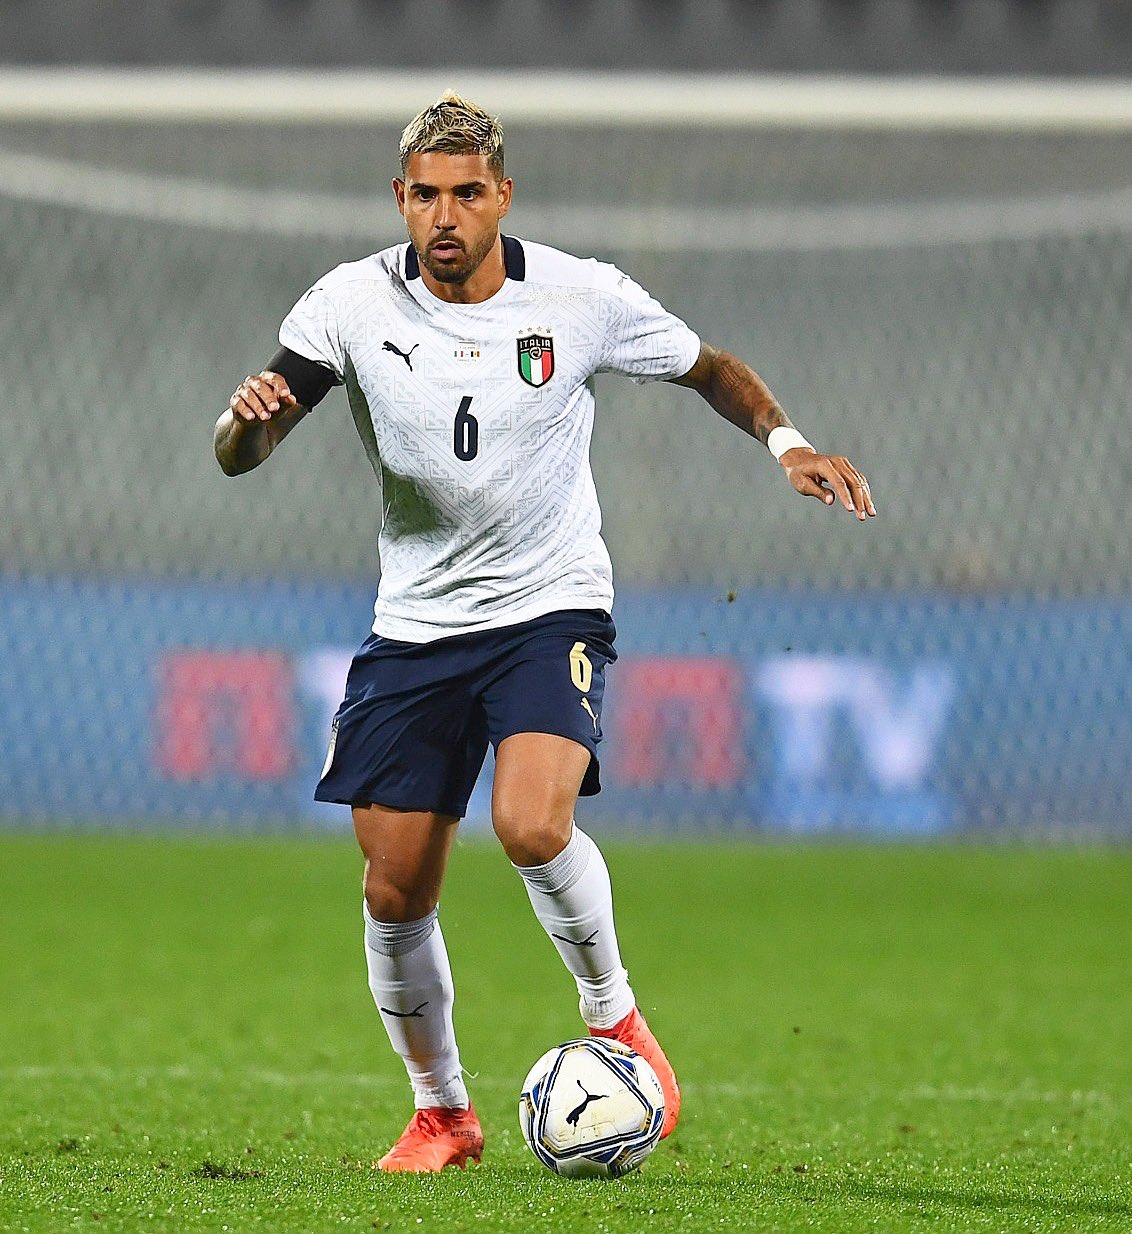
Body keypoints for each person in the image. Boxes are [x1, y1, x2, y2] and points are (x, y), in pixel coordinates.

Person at [215, 92, 874, 1173]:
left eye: (467, 193)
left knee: (529, 822)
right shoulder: (348, 302)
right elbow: (243, 448)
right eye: (426, 195)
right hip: (415, 623)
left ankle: (617, 1018)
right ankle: (443, 1113)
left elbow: (710, 367)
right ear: (399, 198)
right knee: (392, 889)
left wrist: (787, 443)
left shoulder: (580, 297)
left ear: (503, 196)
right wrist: (247, 430)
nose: (445, 216)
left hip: (548, 605)